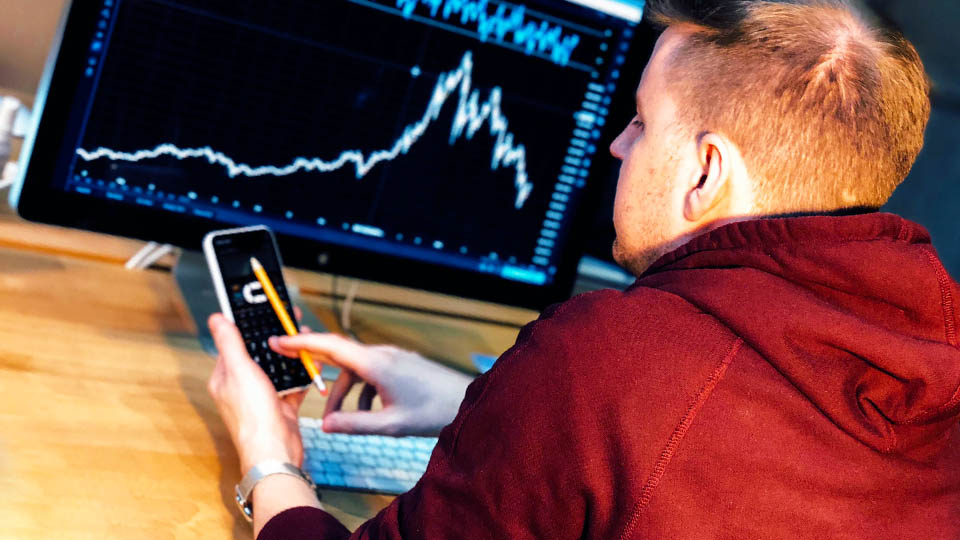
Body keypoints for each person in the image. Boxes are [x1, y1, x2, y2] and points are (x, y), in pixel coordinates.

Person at [207, 0, 960, 537]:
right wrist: (484, 399)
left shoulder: (614, 358)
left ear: (705, 174)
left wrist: (269, 460)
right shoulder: (934, 346)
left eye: (640, 121)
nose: (617, 148)